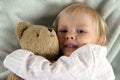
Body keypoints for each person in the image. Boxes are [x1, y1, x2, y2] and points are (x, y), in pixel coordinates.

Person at [3, 2, 115, 80]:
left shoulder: (91, 55)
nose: (69, 35)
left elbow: (53, 75)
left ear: (100, 41)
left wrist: (22, 61)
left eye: (81, 31)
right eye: (63, 30)